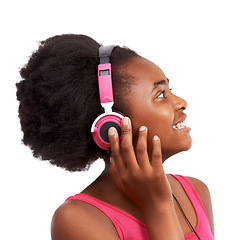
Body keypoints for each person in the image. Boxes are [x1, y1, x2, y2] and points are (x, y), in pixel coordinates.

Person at [16, 34, 214, 240]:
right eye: (160, 94)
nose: (181, 102)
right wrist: (158, 206)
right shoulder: (77, 219)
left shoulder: (196, 192)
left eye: (170, 89)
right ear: (111, 124)